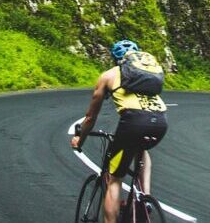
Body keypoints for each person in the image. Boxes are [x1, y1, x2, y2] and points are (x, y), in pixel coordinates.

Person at [71, 40, 167, 223]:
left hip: (134, 123)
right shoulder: (145, 78)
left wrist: (79, 140)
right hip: (161, 121)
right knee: (141, 148)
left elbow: (90, 118)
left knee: (115, 179)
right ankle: (145, 197)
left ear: (114, 59)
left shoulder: (108, 75)